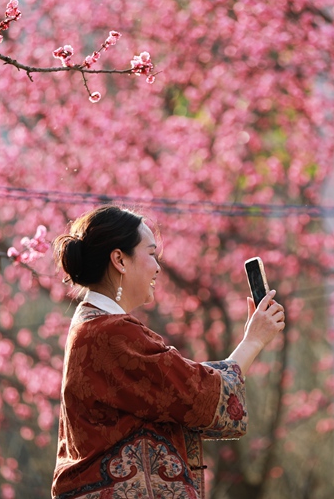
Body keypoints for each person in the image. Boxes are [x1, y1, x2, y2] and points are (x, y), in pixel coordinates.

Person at [50, 205, 285, 499]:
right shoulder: (112, 333)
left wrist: (252, 340)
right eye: (151, 254)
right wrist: (253, 341)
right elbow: (199, 393)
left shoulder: (94, 327)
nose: (158, 267)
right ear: (120, 260)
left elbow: (184, 387)